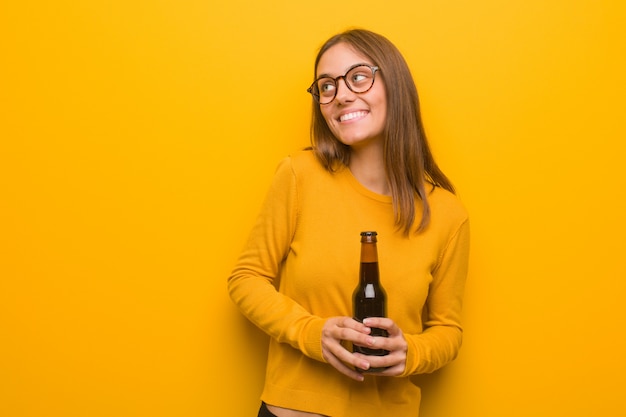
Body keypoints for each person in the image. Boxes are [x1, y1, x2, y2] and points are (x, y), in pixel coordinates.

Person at [228, 28, 470, 417]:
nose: (340, 95)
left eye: (357, 77)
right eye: (327, 86)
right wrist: (313, 333)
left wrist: (411, 352)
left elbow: (447, 331)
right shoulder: (299, 176)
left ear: (394, 84)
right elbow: (245, 278)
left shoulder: (447, 215)